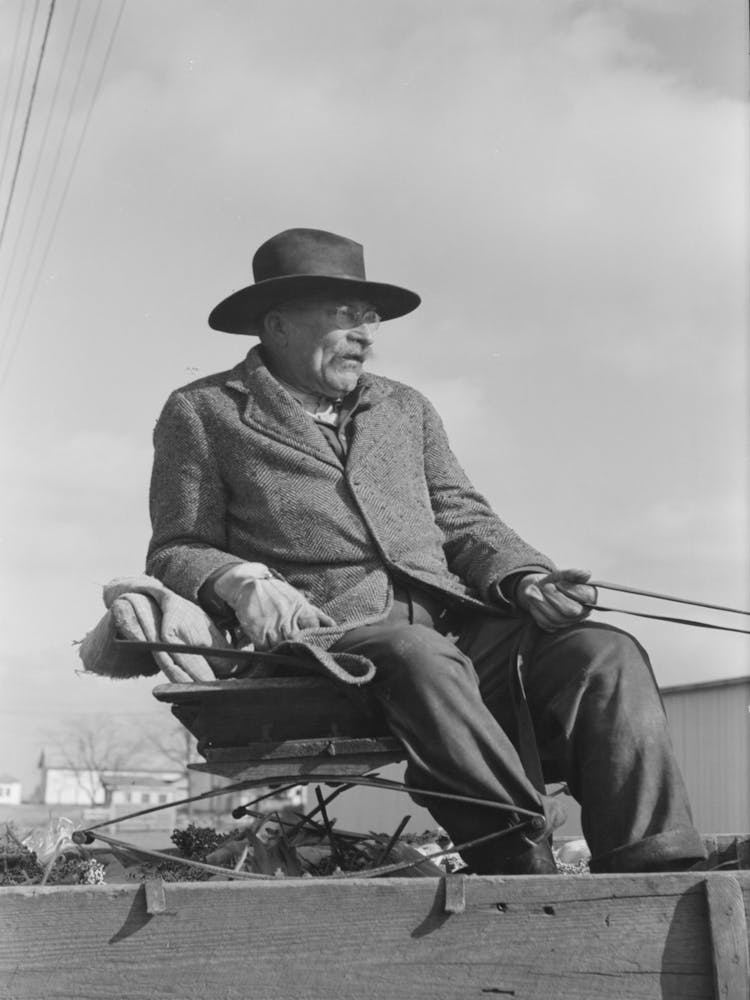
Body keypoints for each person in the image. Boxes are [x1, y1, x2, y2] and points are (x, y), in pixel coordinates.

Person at [146, 227, 706, 875]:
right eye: (344, 315)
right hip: (327, 646)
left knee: (603, 651)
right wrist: (237, 580)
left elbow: (463, 518)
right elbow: (177, 548)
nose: (365, 334)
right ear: (277, 324)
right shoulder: (205, 412)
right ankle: (518, 859)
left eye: (370, 318)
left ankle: (655, 862)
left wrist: (526, 580)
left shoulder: (404, 408)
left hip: (451, 631)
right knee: (419, 655)